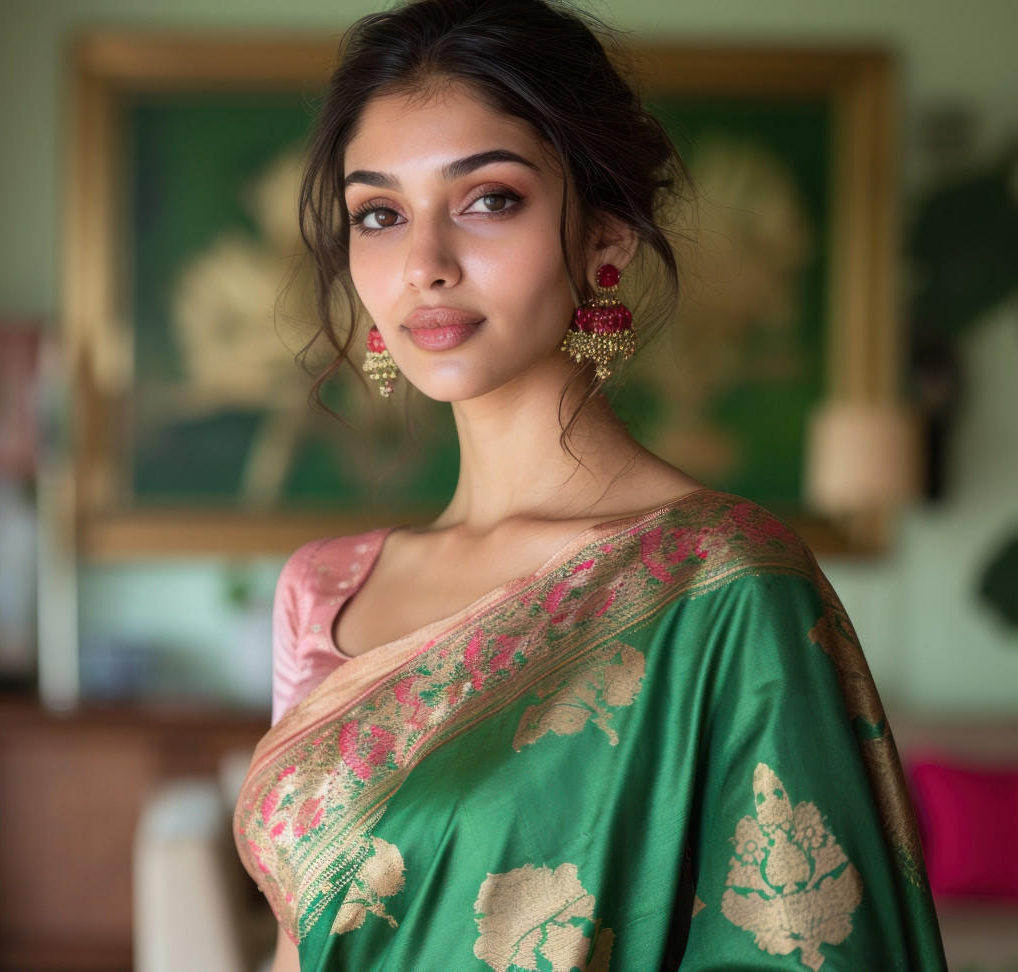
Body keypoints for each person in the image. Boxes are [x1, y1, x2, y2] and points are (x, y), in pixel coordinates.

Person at [233, 1, 947, 969]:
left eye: (488, 199)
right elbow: (301, 942)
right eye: (379, 213)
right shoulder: (321, 593)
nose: (424, 264)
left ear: (603, 239)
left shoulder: (727, 588)